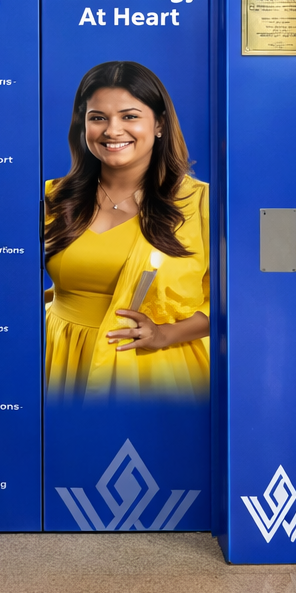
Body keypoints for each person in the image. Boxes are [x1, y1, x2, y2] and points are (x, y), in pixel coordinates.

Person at [44, 61, 209, 403]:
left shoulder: (202, 203)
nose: (112, 130)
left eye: (130, 116)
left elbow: (238, 303)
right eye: (98, 117)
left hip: (158, 373)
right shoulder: (53, 197)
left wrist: (165, 334)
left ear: (160, 124)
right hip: (61, 363)